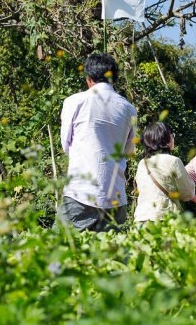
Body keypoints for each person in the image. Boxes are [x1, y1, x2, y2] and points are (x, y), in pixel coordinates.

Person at [58, 52, 137, 232]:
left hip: (80, 192)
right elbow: (128, 150)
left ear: (89, 78)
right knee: (110, 258)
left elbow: (66, 145)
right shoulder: (129, 109)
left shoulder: (74, 102)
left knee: (59, 251)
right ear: (114, 79)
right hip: (115, 196)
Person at [134, 122, 196, 224]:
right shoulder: (173, 161)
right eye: (172, 135)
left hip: (141, 218)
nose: (173, 138)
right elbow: (188, 193)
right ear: (165, 139)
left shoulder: (142, 163)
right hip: (164, 218)